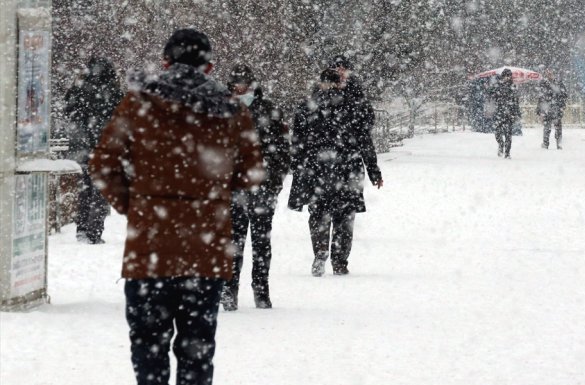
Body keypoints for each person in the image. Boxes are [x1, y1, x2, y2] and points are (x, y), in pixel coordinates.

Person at [89, 29, 263, 385]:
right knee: (197, 350)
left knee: (148, 347)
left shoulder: (138, 104)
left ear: (165, 62)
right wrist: (212, 193)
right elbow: (251, 173)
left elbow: (103, 165)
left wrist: (136, 206)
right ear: (209, 67)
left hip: (149, 249)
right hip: (206, 249)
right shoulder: (232, 111)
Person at [289, 68, 383, 277]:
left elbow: (297, 141)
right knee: (345, 217)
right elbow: (364, 141)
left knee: (318, 214)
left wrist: (297, 166)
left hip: (316, 169)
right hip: (347, 169)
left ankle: (320, 250)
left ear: (320, 82)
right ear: (340, 83)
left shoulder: (307, 106)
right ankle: (340, 261)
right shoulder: (353, 106)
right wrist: (373, 170)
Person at [220, 64, 290, 310]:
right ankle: (229, 289)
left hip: (262, 184)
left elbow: (282, 149)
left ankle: (261, 289)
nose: (240, 88)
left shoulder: (269, 110)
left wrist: (275, 181)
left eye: (243, 83)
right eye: (236, 84)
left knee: (261, 241)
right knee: (233, 241)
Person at [64, 57, 123, 244]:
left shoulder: (79, 89)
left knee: (85, 187)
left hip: (81, 147)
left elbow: (69, 111)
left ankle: (82, 228)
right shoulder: (113, 91)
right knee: (100, 189)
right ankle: (93, 231)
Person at [489, 69, 521, 158]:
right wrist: (493, 89)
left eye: (509, 76)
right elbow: (491, 95)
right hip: (499, 113)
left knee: (508, 134)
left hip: (509, 113)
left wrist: (517, 113)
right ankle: (501, 144)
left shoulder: (513, 86)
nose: (508, 77)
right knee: (497, 133)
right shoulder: (497, 86)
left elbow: (516, 102)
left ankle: (507, 153)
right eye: (506, 76)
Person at [536, 68, 568, 149]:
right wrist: (539, 111)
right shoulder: (543, 83)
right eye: (547, 73)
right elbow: (540, 98)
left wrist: (562, 105)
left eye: (550, 73)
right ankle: (546, 143)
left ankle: (558, 143)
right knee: (547, 127)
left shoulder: (558, 83)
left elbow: (564, 95)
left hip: (556, 108)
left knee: (558, 127)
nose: (549, 75)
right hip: (547, 109)